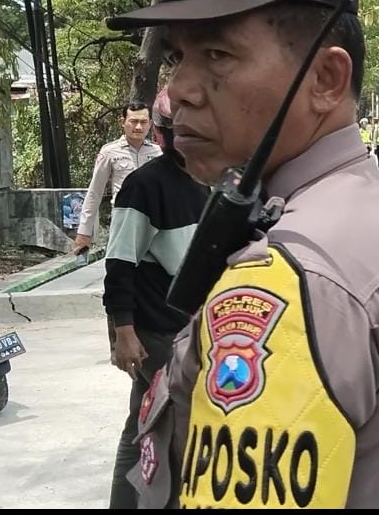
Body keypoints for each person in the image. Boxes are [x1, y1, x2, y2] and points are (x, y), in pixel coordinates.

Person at [104, 0, 379, 509]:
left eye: (217, 54)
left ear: (326, 80)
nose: (178, 89)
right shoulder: (350, 208)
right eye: (180, 57)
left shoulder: (287, 277)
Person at [104, 88, 209, 509]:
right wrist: (123, 332)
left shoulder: (209, 179)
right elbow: (119, 261)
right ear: (165, 136)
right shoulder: (145, 186)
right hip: (157, 330)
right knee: (185, 425)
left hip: (189, 324)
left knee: (142, 423)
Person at [74, 102, 162, 253]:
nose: (139, 127)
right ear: (123, 123)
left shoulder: (158, 152)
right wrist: (84, 231)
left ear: (150, 124)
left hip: (154, 220)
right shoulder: (109, 152)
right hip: (123, 220)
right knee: (121, 268)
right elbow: (95, 192)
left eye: (143, 122)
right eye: (133, 121)